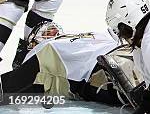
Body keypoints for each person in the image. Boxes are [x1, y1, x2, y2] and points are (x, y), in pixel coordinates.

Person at [0, 21, 137, 107]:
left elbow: (15, 83)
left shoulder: (47, 48)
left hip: (103, 75)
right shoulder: (88, 35)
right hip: (126, 56)